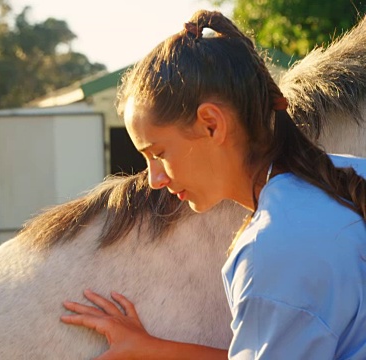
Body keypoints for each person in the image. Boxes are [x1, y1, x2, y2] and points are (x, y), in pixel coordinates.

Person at [60, 9, 366, 359]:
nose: (155, 179)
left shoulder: (273, 250)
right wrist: (153, 349)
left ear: (211, 124)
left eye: (158, 153)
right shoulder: (351, 179)